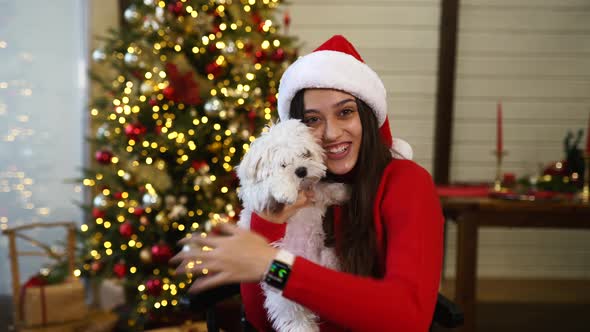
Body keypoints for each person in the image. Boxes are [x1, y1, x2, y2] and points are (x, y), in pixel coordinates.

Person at [174, 35, 444, 331]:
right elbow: (264, 322)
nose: (330, 133)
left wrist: (274, 266)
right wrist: (266, 226)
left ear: (367, 115)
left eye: (345, 112)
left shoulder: (407, 184)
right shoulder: (294, 189)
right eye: (313, 119)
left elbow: (408, 317)